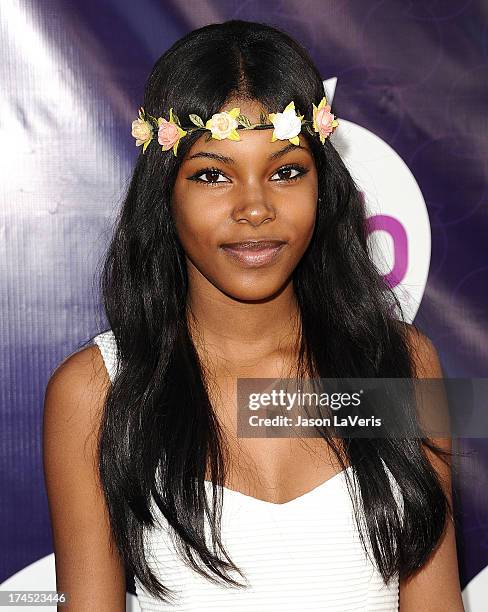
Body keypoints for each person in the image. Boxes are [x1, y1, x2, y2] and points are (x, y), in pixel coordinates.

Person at [43, 19, 465, 611]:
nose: (255, 207)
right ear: (165, 193)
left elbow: (436, 602)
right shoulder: (98, 391)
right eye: (213, 175)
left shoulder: (402, 365)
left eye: (286, 171)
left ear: (324, 185)